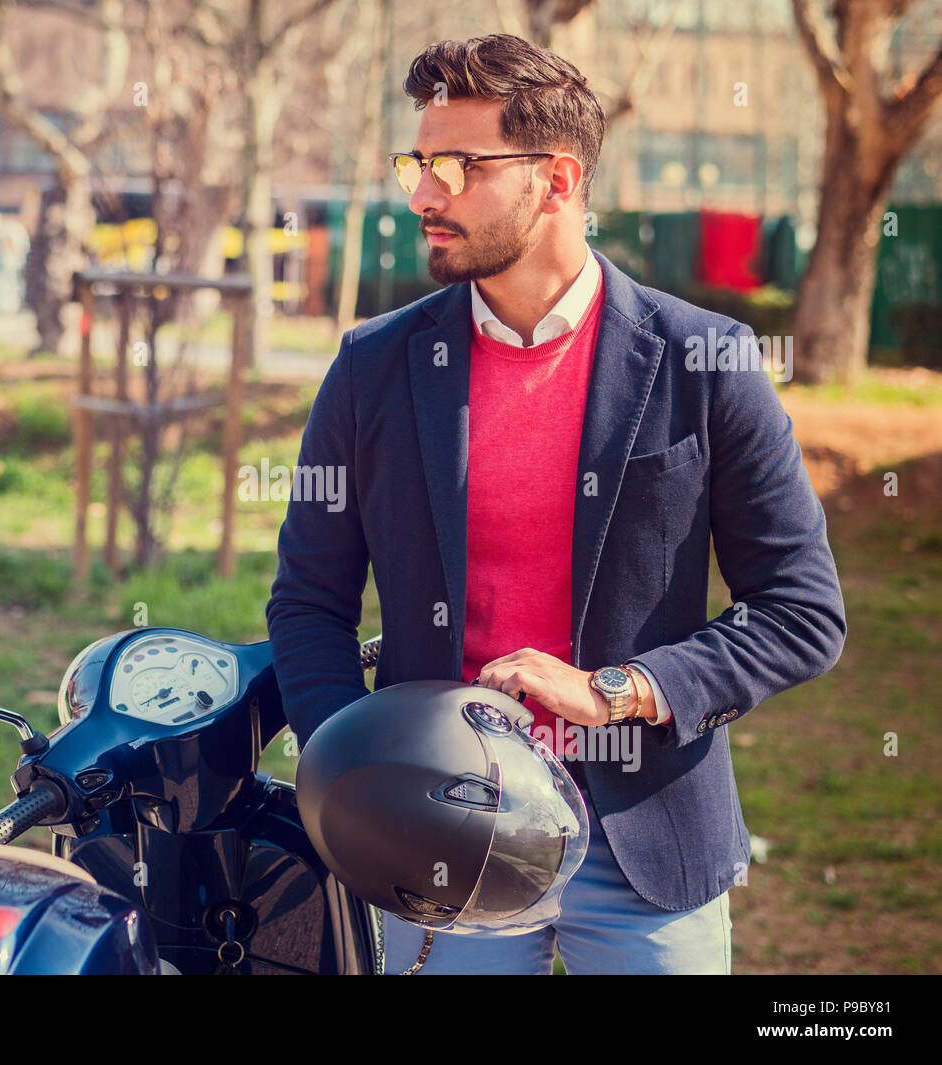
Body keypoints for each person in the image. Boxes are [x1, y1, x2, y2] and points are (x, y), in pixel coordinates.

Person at [264, 33, 846, 975]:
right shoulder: (373, 367)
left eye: (456, 166)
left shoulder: (710, 360)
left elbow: (802, 612)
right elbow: (308, 601)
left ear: (557, 179)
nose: (421, 195)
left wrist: (616, 690)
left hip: (649, 843)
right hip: (438, 844)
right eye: (416, 163)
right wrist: (359, 775)